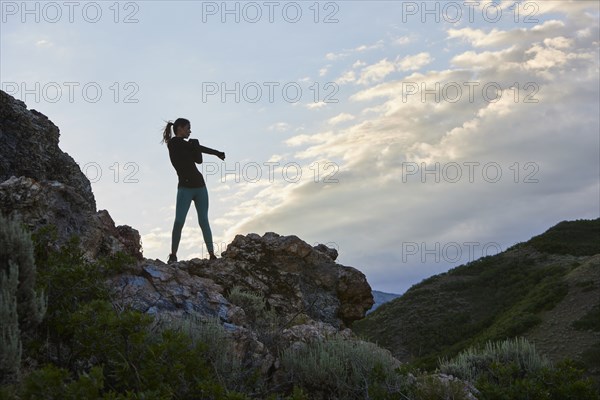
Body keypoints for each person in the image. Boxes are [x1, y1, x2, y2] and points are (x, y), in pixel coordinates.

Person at [161, 118, 225, 263]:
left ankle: (212, 254)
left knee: (203, 220)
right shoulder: (174, 143)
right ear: (180, 128)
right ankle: (173, 255)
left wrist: (216, 153)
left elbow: (199, 159)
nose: (190, 131)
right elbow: (193, 148)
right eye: (188, 128)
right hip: (185, 188)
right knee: (179, 221)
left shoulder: (188, 144)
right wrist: (195, 145)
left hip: (200, 186)